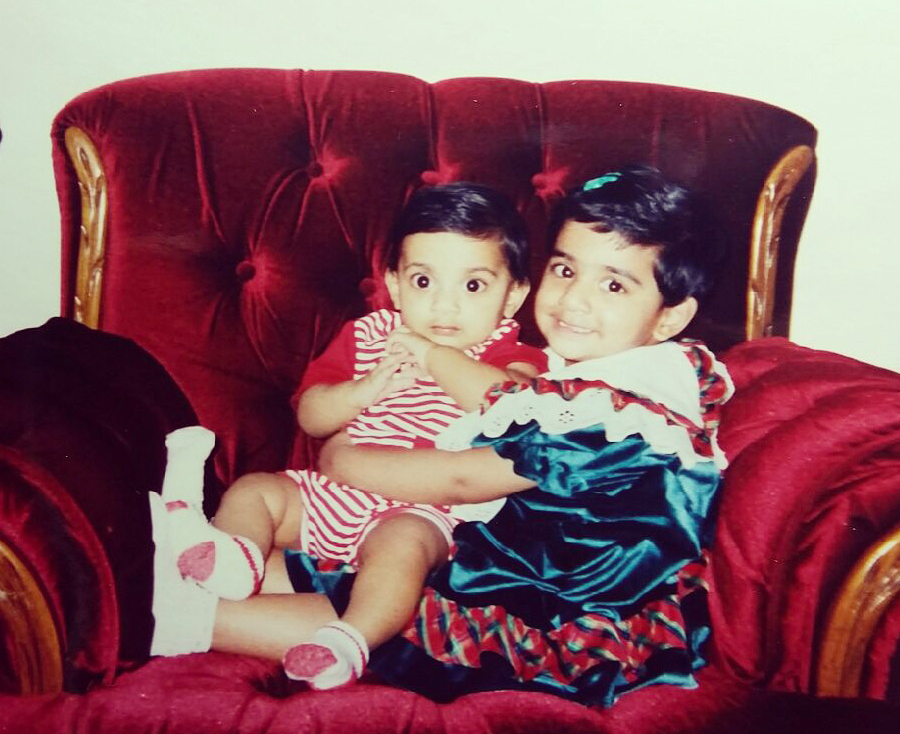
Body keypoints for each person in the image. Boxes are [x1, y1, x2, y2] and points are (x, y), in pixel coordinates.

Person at [304, 164, 735, 705]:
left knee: (382, 611)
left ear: (670, 317)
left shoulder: (627, 405)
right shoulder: (566, 373)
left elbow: (463, 478)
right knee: (343, 575)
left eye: (613, 284)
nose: (573, 300)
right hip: (502, 567)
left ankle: (193, 620)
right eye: (564, 269)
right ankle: (193, 602)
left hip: (563, 612)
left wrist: (340, 459)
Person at [150, 182, 547, 689]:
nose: (444, 307)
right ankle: (236, 554)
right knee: (256, 491)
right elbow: (312, 416)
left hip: (418, 510)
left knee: (403, 549)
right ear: (396, 284)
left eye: (472, 286)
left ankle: (347, 639)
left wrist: (431, 356)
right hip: (332, 495)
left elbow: (510, 403)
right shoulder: (367, 335)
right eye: (424, 281)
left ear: (513, 295)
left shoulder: (512, 354)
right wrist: (360, 391)